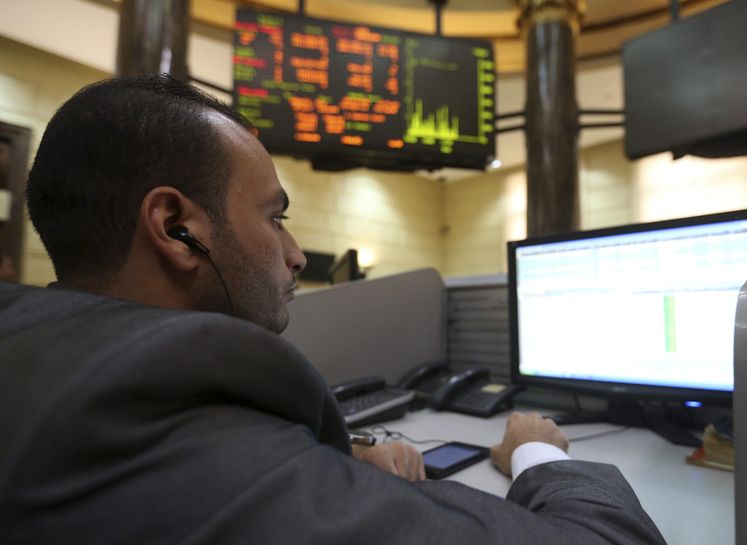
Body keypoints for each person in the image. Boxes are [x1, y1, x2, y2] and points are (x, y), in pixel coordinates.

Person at [0, 75, 666, 545]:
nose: (294, 255)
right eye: (276, 217)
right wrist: (537, 457)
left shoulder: (33, 346)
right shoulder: (170, 416)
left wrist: (331, 459)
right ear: (176, 227)